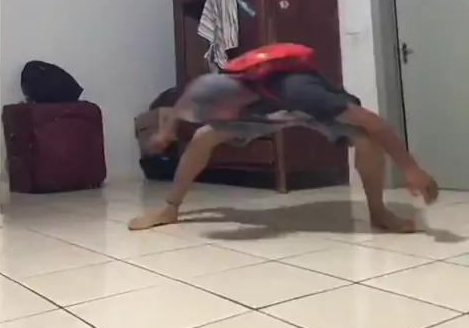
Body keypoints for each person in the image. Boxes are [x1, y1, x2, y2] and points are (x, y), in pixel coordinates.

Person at [128, 66, 438, 233]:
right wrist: (165, 133)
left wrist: (410, 168)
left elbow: (373, 122)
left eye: (217, 113)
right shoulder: (214, 87)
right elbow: (183, 103)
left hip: (301, 109)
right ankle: (170, 208)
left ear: (234, 101)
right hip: (261, 112)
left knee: (365, 139)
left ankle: (379, 213)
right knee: (203, 136)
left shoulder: (302, 91)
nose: (213, 118)